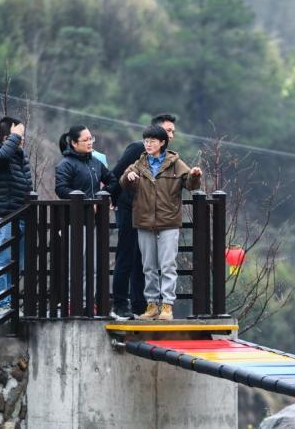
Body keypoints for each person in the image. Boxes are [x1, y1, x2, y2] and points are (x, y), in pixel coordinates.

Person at [120, 124, 202, 321]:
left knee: (167, 265)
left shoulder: (175, 162)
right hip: (144, 221)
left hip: (168, 221)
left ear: (162, 143)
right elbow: (124, 181)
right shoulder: (139, 164)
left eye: (153, 141)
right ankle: (151, 305)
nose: (148, 144)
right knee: (148, 266)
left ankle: (167, 306)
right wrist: (128, 177)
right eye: (146, 141)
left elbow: (190, 184)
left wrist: (194, 176)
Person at [110, 114, 177, 320]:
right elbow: (115, 175)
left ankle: (141, 306)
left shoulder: (168, 158)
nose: (171, 135)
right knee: (126, 256)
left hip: (151, 216)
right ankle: (120, 303)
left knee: (144, 260)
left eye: (172, 132)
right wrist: (113, 199)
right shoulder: (137, 149)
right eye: (168, 130)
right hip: (130, 210)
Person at [55, 125, 117, 314]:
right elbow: (61, 189)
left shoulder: (96, 163)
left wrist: (101, 196)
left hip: (96, 222)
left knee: (94, 265)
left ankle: (90, 301)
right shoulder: (65, 164)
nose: (90, 142)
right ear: (74, 143)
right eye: (86, 140)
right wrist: (84, 201)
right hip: (74, 222)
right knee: (76, 265)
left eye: (92, 139)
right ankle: (72, 302)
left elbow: (112, 181)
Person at [0, 116, 33, 319]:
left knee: (18, 264)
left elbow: (27, 186)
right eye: (19, 137)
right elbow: (2, 157)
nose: (22, 140)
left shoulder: (20, 156)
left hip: (20, 215)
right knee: (2, 261)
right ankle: (0, 307)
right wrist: (15, 135)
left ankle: (12, 304)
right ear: (8, 137)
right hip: (3, 218)